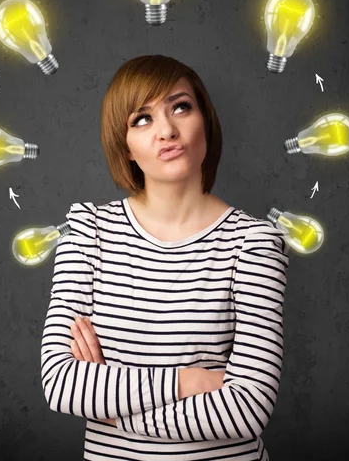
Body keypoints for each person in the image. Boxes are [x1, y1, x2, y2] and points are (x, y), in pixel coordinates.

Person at [41, 54, 289, 460]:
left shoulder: (255, 243)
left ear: (204, 121)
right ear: (125, 147)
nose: (167, 131)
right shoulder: (88, 231)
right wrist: (187, 382)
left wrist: (113, 413)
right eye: (142, 119)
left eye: (180, 107)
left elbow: (247, 409)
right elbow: (61, 383)